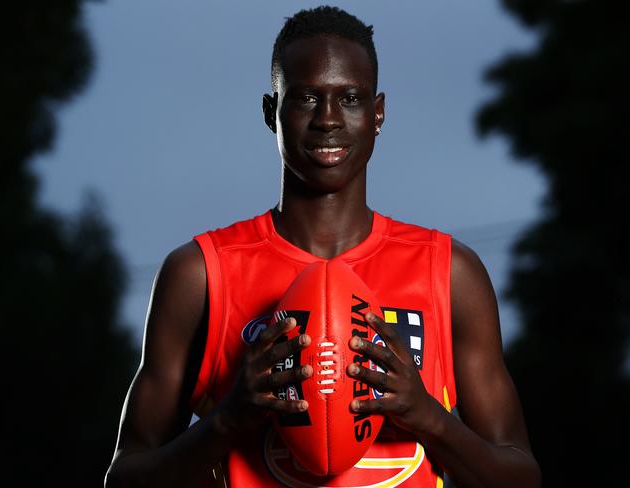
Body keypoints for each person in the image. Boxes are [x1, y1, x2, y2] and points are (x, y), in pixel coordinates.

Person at [105, 6, 541, 488]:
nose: (328, 120)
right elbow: (125, 478)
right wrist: (229, 418)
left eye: (349, 99)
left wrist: (431, 418)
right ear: (272, 112)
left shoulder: (450, 272)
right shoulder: (200, 275)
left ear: (378, 114)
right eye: (307, 99)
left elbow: (520, 476)